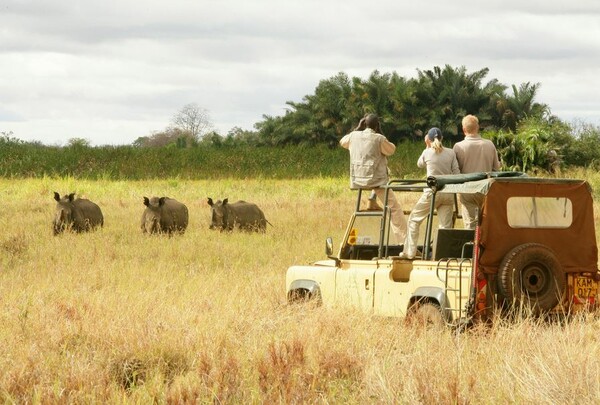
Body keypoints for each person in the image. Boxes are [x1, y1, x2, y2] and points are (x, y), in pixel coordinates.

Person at [340, 113, 407, 243]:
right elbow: (391, 150)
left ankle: (372, 199)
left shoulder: (353, 136)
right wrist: (380, 132)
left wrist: (357, 128)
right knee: (394, 209)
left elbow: (342, 142)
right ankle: (404, 242)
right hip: (376, 181)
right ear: (377, 126)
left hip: (358, 179)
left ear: (363, 124)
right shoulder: (379, 138)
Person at [399, 127, 460, 259]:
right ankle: (443, 256)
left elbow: (419, 164)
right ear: (442, 138)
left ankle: (410, 252)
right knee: (445, 226)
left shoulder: (427, 152)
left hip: (432, 192)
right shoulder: (450, 153)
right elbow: (457, 173)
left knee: (414, 219)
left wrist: (427, 146)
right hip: (448, 192)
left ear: (429, 139)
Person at [453, 114, 501, 229]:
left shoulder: (458, 147)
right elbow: (496, 168)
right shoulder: (489, 144)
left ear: (464, 129)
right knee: (487, 224)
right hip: (487, 190)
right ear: (478, 127)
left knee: (471, 225)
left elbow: (455, 171)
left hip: (468, 191)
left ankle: (472, 246)